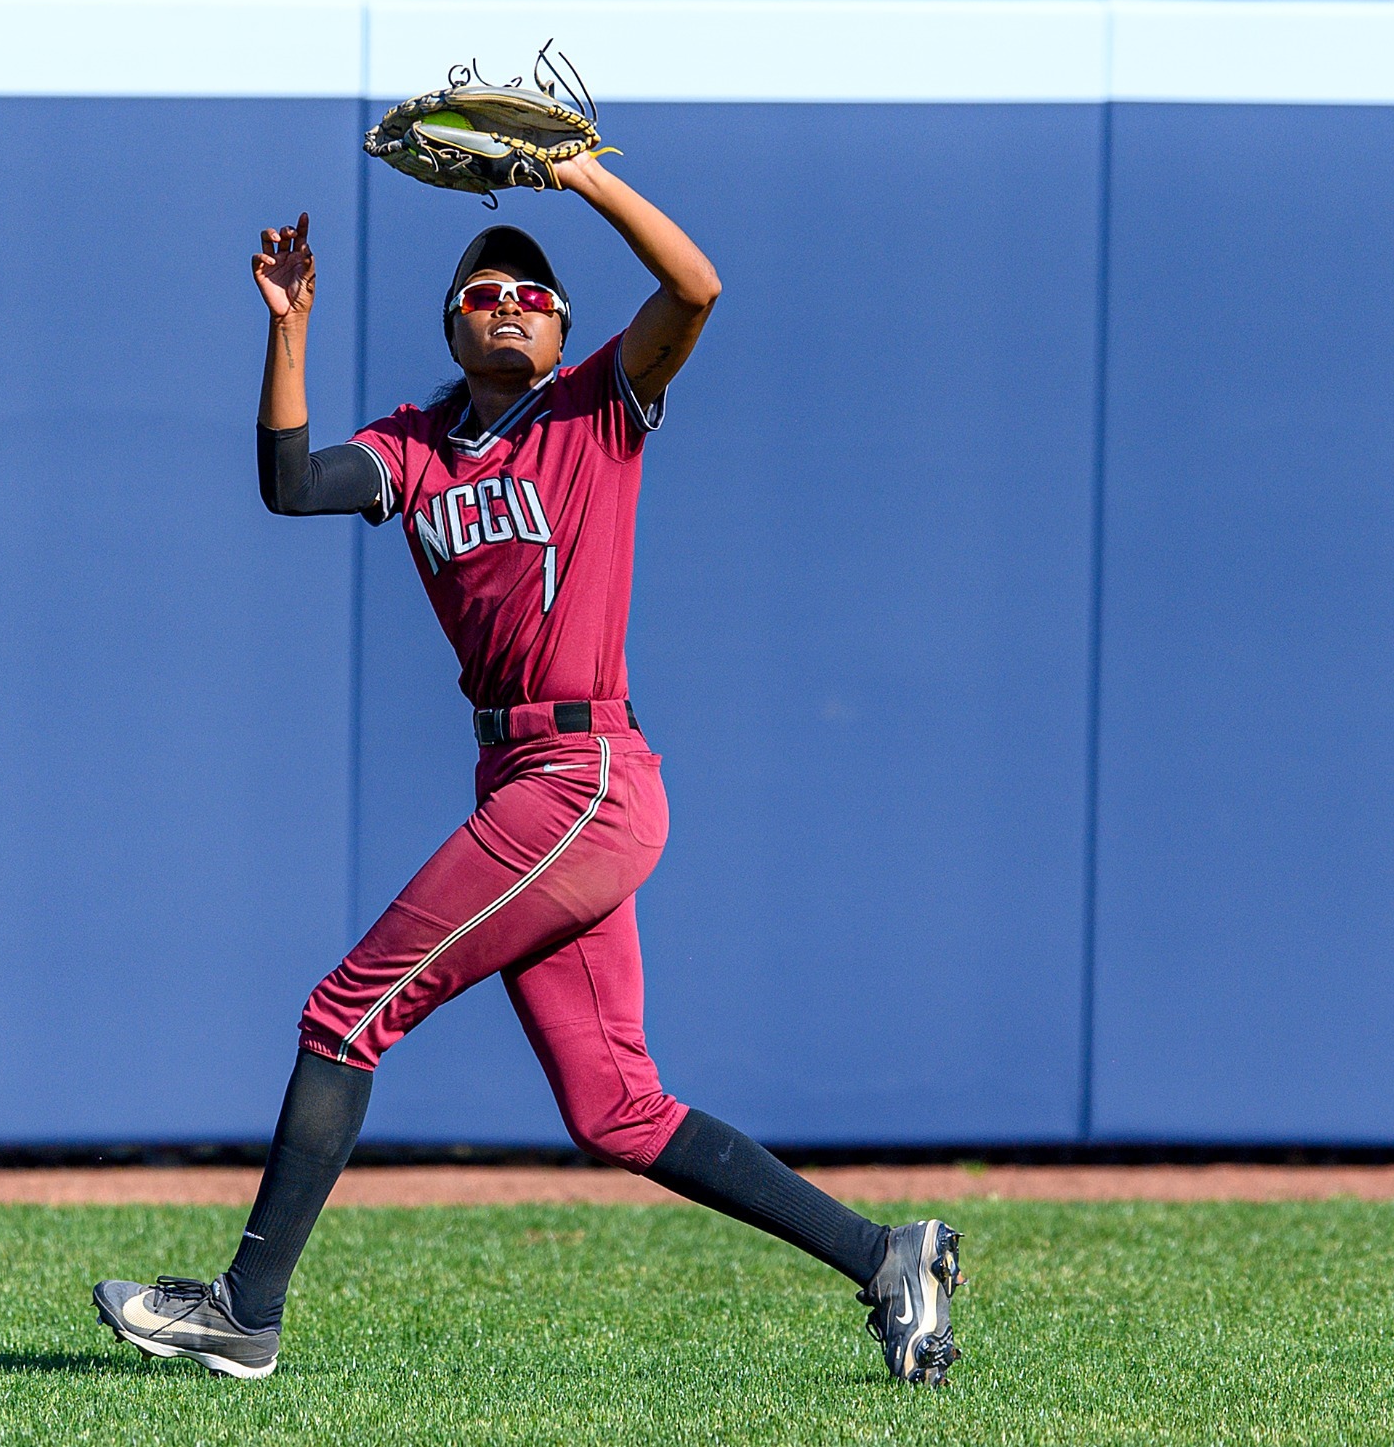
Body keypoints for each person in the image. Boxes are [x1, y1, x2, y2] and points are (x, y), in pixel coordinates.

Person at [91, 153, 962, 1387]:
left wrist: (586, 180)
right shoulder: (417, 445)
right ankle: (886, 1255)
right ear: (452, 322)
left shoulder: (595, 407)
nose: (508, 298)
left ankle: (246, 1309)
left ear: (559, 326)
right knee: (615, 1107)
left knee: (349, 1008)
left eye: (530, 290)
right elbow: (290, 482)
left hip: (584, 773)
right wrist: (287, 330)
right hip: (520, 782)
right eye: (483, 287)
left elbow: (695, 288)